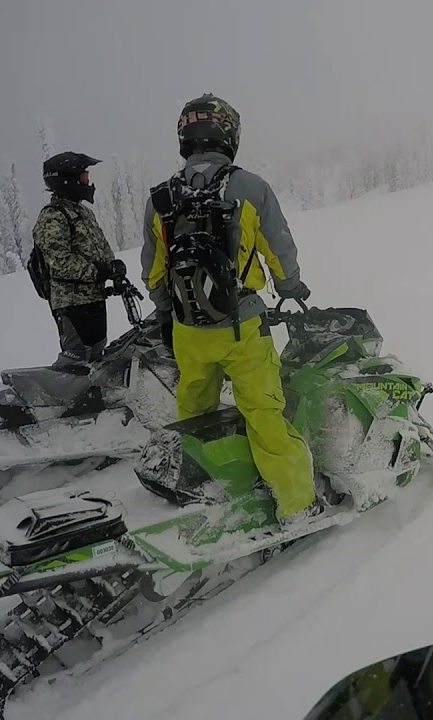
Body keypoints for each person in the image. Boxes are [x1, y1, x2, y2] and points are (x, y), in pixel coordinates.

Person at [140, 93, 320, 526]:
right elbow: (280, 250)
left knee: (194, 413)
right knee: (263, 412)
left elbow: (153, 271)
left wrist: (169, 315)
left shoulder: (160, 198)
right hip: (242, 325)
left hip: (187, 329)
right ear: (228, 133)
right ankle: (297, 505)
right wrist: (291, 287)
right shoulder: (250, 187)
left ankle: (200, 487)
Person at [33, 151, 128, 365]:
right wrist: (98, 271)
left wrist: (113, 266)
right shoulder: (53, 216)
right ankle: (65, 398)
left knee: (96, 355)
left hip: (94, 298)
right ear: (68, 179)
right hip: (72, 304)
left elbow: (99, 245)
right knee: (76, 360)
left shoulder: (83, 213)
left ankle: (93, 397)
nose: (88, 181)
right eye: (83, 176)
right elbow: (59, 260)